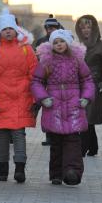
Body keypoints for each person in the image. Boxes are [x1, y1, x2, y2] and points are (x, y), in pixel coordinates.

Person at [31, 30, 95, 185]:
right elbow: (36, 81)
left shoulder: (77, 60)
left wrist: (86, 97)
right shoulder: (46, 62)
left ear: (68, 43)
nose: (59, 45)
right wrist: (43, 98)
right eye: (55, 42)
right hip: (54, 108)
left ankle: (72, 172)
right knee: (56, 143)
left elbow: (87, 80)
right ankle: (56, 174)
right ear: (51, 45)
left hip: (73, 107)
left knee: (73, 141)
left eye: (62, 41)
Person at [0, 13, 37, 183]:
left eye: (10, 28)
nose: (7, 32)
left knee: (19, 134)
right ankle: (2, 166)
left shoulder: (27, 49)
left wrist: (36, 99)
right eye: (4, 29)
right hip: (0, 99)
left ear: (16, 30)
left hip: (22, 97)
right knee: (3, 134)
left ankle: (20, 168)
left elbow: (35, 75)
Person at [75, 15, 102, 157]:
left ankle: (82, 148)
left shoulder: (101, 45)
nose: (85, 30)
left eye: (89, 27)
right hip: (80, 85)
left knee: (87, 117)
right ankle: (93, 146)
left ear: (94, 28)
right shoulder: (78, 45)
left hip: (96, 85)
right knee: (86, 116)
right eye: (82, 27)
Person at [33, 15, 62, 146]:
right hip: (42, 76)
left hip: (56, 79)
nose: (50, 30)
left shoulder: (61, 40)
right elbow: (35, 59)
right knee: (41, 105)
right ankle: (47, 135)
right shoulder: (41, 41)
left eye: (53, 27)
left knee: (54, 107)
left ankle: (54, 135)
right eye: (48, 27)